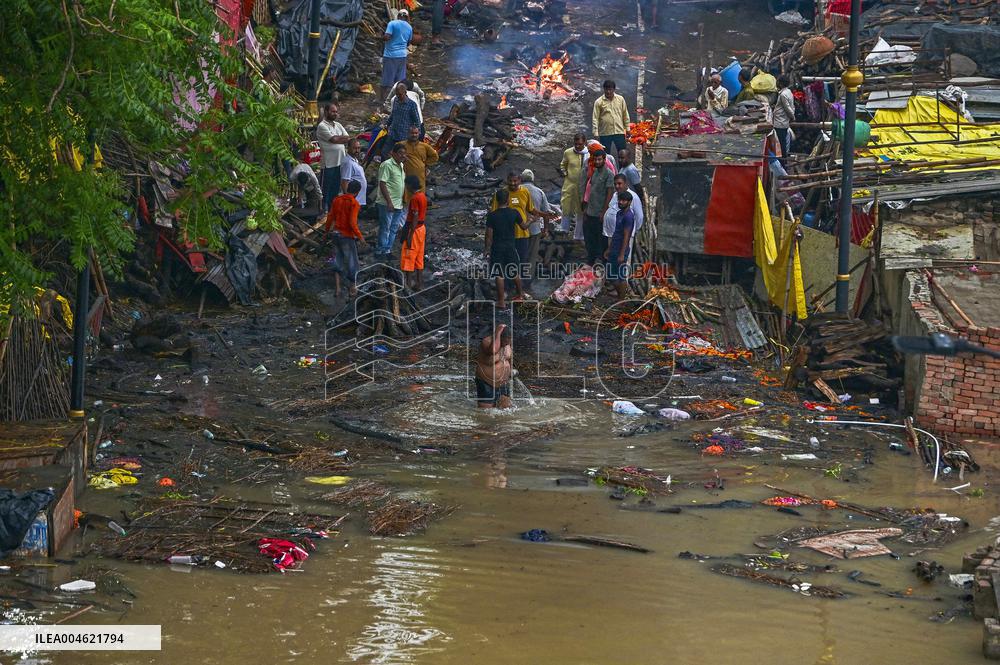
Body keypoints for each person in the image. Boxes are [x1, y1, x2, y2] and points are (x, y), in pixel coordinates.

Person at [485, 189, 528, 310]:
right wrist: (531, 220)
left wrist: (487, 249)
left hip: (497, 248)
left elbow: (489, 236)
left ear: (497, 200)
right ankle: (520, 295)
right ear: (508, 200)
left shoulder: (492, 216)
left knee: (499, 274)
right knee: (514, 271)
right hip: (510, 247)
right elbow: (524, 227)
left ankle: (501, 302)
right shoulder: (514, 213)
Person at [325, 180, 366, 297]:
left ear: (348, 189)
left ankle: (338, 289)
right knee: (352, 262)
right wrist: (360, 237)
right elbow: (352, 223)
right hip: (346, 236)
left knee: (337, 260)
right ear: (357, 192)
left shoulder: (337, 200)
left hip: (335, 234)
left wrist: (326, 232)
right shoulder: (354, 203)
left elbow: (330, 217)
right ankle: (353, 288)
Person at [490, 171, 535, 277]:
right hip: (506, 236)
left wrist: (543, 215)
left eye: (515, 181)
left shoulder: (525, 192)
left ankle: (521, 284)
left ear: (520, 180)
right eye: (510, 181)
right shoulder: (501, 194)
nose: (513, 183)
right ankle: (508, 284)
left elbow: (531, 209)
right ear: (507, 180)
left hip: (522, 234)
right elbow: (494, 213)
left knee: (522, 261)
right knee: (507, 263)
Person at [519, 169, 559, 278]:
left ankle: (516, 277)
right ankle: (527, 278)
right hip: (534, 229)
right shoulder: (539, 192)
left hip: (518, 229)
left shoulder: (516, 191)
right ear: (533, 180)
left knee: (519, 253)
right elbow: (546, 213)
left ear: (521, 179)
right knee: (531, 256)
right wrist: (545, 229)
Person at [581, 150, 614, 265]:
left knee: (601, 239)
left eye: (599, 159)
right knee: (590, 238)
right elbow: (590, 192)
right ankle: (591, 259)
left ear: (604, 160)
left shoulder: (609, 174)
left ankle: (602, 261)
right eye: (595, 159)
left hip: (599, 212)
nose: (597, 161)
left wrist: (604, 211)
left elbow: (609, 194)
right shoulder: (594, 172)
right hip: (591, 211)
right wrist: (586, 209)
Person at [315, 103, 350, 212]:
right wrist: (339, 139)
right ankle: (323, 210)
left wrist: (338, 138)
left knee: (335, 188)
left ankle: (332, 210)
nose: (335, 113)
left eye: (336, 112)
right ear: (326, 112)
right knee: (325, 188)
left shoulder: (338, 125)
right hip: (328, 164)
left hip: (339, 163)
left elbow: (347, 138)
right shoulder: (322, 126)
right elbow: (333, 139)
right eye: (332, 111)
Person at [375, 143, 407, 257]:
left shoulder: (401, 165)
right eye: (400, 153)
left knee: (394, 228)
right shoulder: (387, 165)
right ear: (393, 153)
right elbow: (382, 183)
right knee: (385, 227)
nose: (402, 155)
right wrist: (389, 202)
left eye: (404, 153)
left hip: (398, 203)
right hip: (387, 203)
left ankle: (387, 250)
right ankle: (381, 251)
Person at [605, 191, 636, 299]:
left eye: (624, 201)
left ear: (629, 202)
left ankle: (621, 299)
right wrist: (609, 248)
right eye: (620, 200)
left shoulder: (629, 217)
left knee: (620, 275)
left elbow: (626, 236)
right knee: (610, 273)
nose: (621, 202)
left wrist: (622, 254)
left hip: (621, 249)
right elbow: (616, 232)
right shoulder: (619, 213)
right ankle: (620, 295)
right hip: (614, 247)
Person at [474, 324, 513, 409]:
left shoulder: (507, 343)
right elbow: (493, 351)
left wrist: (510, 371)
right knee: (485, 413)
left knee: (507, 411)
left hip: (503, 384)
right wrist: (498, 332)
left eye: (509, 340)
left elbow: (509, 358)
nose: (507, 344)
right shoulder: (487, 342)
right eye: (505, 341)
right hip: (486, 383)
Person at [400, 175, 427, 290]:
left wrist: (410, 235)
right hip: (422, 229)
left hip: (414, 230)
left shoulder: (415, 198)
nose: (406, 187)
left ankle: (408, 284)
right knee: (419, 257)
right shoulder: (423, 196)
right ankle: (419, 283)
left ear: (410, 185)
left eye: (406, 185)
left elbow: (415, 216)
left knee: (409, 256)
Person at [382, 83, 421, 159]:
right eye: (397, 94)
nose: (398, 96)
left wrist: (416, 135)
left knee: (401, 156)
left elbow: (417, 121)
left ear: (405, 92)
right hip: (393, 132)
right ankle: (385, 166)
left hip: (403, 135)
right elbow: (393, 114)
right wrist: (387, 124)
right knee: (385, 152)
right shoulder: (396, 100)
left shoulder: (412, 105)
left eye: (400, 94)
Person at [559, 133, 588, 234]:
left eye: (580, 144)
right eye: (576, 144)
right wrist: (565, 173)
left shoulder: (588, 154)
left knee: (580, 209)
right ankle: (564, 229)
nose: (577, 146)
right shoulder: (568, 152)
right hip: (569, 184)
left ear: (584, 142)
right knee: (566, 206)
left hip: (583, 186)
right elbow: (563, 164)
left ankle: (578, 234)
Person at [381, 8, 413, 100]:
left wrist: (380, 37)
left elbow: (387, 37)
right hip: (402, 56)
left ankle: (384, 100)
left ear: (398, 16)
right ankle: (399, 99)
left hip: (390, 55)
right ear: (407, 18)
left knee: (387, 79)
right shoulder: (409, 27)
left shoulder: (392, 23)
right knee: (400, 80)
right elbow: (408, 42)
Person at [592, 80, 630, 156]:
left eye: (610, 90)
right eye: (606, 89)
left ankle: (622, 164)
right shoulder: (598, 102)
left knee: (622, 153)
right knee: (605, 155)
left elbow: (625, 114)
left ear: (614, 89)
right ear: (604, 89)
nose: (608, 92)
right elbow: (595, 118)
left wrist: (628, 128)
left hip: (619, 131)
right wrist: (595, 133)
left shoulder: (620, 99)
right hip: (605, 133)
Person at [402, 124, 439, 192]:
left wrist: (424, 164)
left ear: (419, 133)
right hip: (405, 174)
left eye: (416, 133)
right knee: (405, 193)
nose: (414, 135)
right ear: (408, 134)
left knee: (419, 194)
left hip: (419, 175)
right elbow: (393, 155)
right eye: (412, 133)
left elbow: (435, 156)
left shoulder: (424, 146)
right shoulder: (401, 145)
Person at [773, 74, 795, 162]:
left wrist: (792, 117)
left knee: (781, 144)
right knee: (783, 143)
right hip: (783, 121)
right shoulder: (788, 92)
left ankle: (782, 163)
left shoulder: (783, 95)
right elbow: (791, 107)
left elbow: (788, 108)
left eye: (778, 81)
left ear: (781, 83)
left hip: (780, 123)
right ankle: (783, 162)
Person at [339, 138, 367, 205]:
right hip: (353, 202)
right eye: (354, 148)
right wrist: (348, 200)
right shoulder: (348, 163)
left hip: (358, 200)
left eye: (358, 148)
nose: (357, 150)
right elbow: (344, 182)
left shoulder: (354, 160)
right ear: (348, 148)